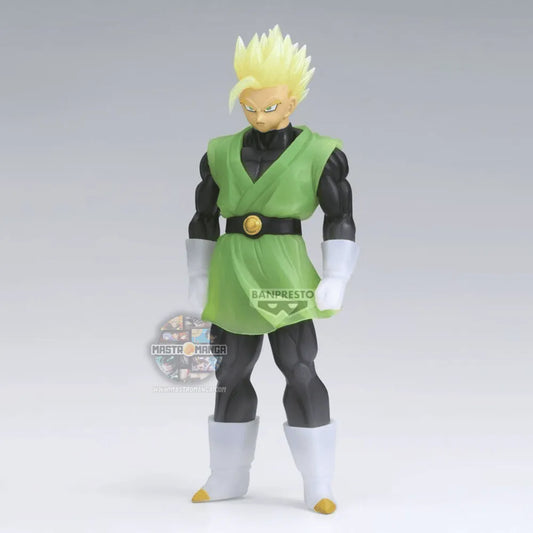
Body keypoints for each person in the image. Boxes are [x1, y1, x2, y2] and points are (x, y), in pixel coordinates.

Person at [185, 25, 359, 514]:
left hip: (285, 269)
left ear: (292, 101)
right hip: (233, 270)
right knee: (229, 372)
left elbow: (340, 215)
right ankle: (227, 475)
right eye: (249, 107)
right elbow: (203, 217)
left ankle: (318, 482)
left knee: (299, 369)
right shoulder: (219, 152)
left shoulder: (321, 153)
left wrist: (337, 275)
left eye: (270, 106)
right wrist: (198, 276)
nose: (259, 117)